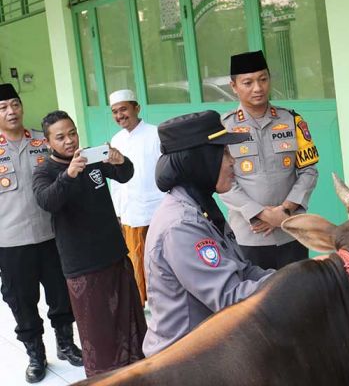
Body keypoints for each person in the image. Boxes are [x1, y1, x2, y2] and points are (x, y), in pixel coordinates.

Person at [143, 110, 273, 356]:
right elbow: (230, 297)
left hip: (209, 346)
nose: (233, 160)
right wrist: (298, 284)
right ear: (201, 160)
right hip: (185, 360)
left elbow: (243, 270)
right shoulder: (181, 225)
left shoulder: (202, 207)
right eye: (224, 152)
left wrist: (293, 275)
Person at [32, 111, 146, 377]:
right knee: (98, 331)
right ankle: (105, 378)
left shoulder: (91, 158)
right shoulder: (44, 171)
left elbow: (125, 174)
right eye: (60, 137)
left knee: (129, 320)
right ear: (49, 142)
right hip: (83, 265)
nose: (69, 141)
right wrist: (69, 174)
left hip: (115, 255)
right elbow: (48, 202)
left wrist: (120, 161)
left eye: (72, 133)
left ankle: (139, 369)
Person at [0, 84, 82, 383]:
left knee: (61, 295)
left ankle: (65, 344)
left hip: (52, 235)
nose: (11, 111)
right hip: (10, 242)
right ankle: (35, 354)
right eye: (2, 107)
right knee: (21, 301)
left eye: (14, 104)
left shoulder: (42, 140)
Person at [219, 50, 319, 270]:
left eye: (263, 79)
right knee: (256, 299)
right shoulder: (224, 128)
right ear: (233, 86)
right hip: (248, 235)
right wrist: (262, 214)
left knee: (300, 295)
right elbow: (222, 183)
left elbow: (309, 170)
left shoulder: (292, 120)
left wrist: (284, 211)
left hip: (291, 231)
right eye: (248, 82)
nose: (258, 88)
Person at [109, 89, 164, 307]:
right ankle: (141, 305)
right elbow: (115, 179)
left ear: (136, 108)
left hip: (154, 210)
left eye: (123, 109)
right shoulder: (116, 139)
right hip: (129, 212)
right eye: (115, 111)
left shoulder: (156, 134)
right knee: (135, 261)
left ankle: (162, 302)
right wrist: (117, 211)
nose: (120, 115)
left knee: (157, 261)